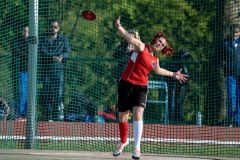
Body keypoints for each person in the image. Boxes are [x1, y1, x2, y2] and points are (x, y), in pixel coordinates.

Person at [113, 17, 188, 159]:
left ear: (163, 48)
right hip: (126, 84)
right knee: (122, 117)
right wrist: (119, 27)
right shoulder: (141, 47)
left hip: (141, 88)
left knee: (137, 114)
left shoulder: (155, 60)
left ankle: (136, 148)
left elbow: (159, 71)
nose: (160, 44)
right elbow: (130, 39)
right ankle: (124, 141)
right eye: (159, 41)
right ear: (155, 40)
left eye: (163, 44)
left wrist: (174, 74)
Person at [40, 20, 70, 121]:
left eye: (56, 27)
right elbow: (42, 51)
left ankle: (57, 114)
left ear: (59, 28)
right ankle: (48, 115)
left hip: (58, 69)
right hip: (46, 69)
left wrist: (62, 56)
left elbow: (67, 52)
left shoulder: (63, 39)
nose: (53, 29)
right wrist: (52, 57)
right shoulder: (44, 38)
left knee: (58, 92)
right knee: (47, 91)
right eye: (52, 27)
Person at [164, 49, 191, 123]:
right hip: (172, 84)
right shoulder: (173, 62)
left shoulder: (185, 65)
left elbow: (188, 77)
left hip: (181, 86)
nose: (185, 59)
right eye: (184, 57)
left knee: (179, 101)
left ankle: (179, 119)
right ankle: (171, 118)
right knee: (171, 100)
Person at [222, 24, 240, 126]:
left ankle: (237, 120)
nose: (234, 34)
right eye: (233, 32)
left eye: (237, 32)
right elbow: (220, 57)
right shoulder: (225, 43)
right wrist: (225, 66)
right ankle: (230, 118)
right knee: (230, 96)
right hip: (230, 74)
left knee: (239, 97)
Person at [12, 26, 29, 120]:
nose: (26, 33)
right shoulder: (16, 41)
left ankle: (27, 114)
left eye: (28, 31)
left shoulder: (32, 41)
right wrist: (27, 54)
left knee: (29, 93)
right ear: (21, 31)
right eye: (24, 31)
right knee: (22, 92)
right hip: (20, 70)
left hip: (31, 71)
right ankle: (20, 114)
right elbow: (16, 51)